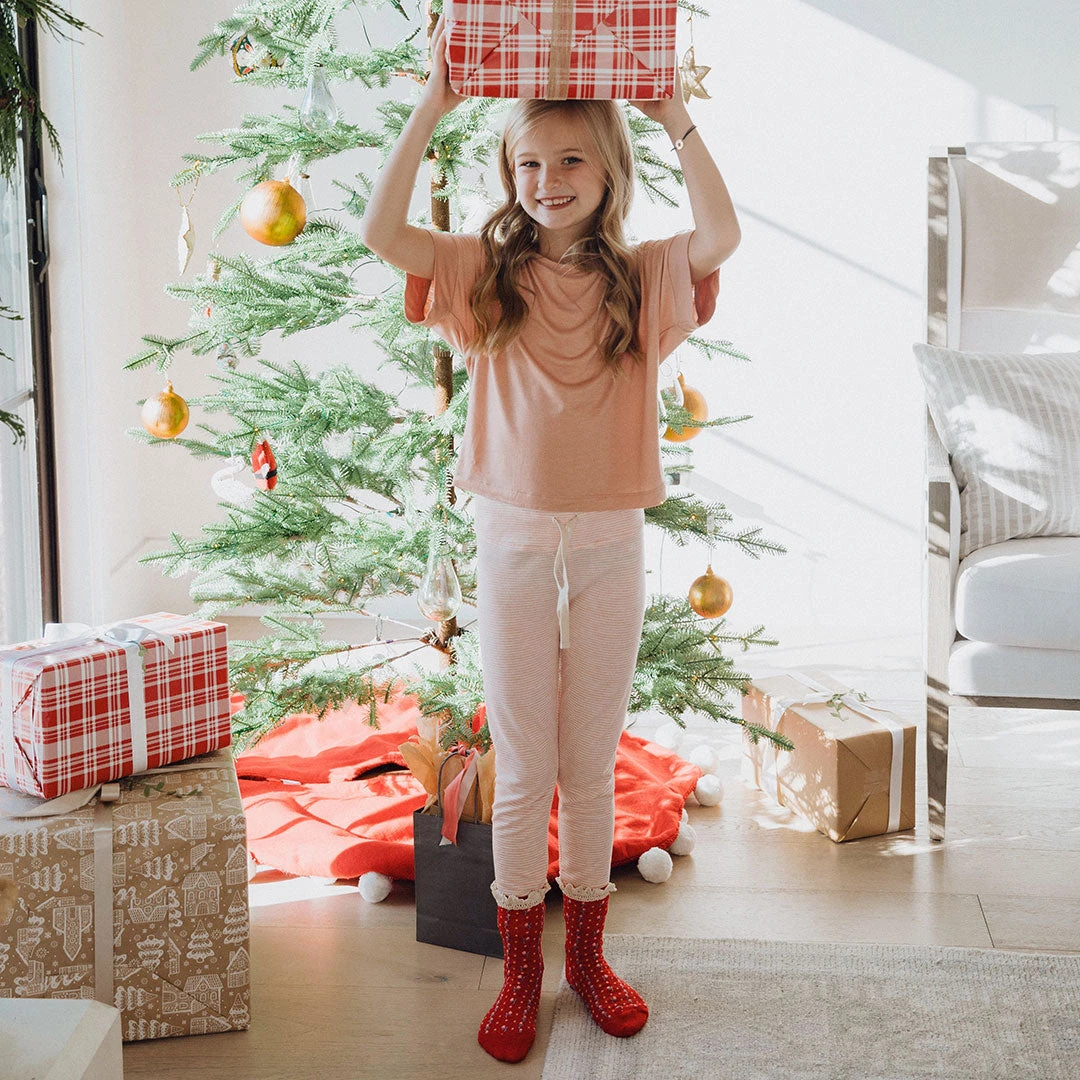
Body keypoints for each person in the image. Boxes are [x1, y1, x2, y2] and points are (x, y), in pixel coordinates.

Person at [359, 14, 740, 1066]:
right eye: (528, 160)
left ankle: (589, 959)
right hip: (514, 547)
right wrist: (432, 104)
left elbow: (723, 236)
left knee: (590, 759)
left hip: (612, 545)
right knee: (526, 763)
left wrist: (675, 119)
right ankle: (525, 965)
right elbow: (382, 235)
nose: (547, 177)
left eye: (571, 158)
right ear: (507, 170)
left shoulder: (647, 277)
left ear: (609, 170)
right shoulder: (482, 274)